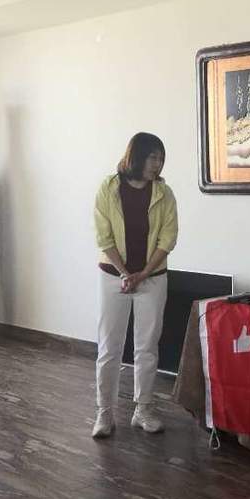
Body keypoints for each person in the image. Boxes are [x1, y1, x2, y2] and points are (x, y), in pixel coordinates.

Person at [92, 132, 178, 438]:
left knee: (147, 347)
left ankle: (143, 410)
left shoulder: (164, 194)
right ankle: (105, 412)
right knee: (109, 347)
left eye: (161, 158)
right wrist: (125, 273)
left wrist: (141, 275)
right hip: (112, 277)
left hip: (152, 279)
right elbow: (103, 237)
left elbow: (168, 239)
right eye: (153, 157)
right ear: (137, 156)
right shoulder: (109, 188)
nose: (157, 164)